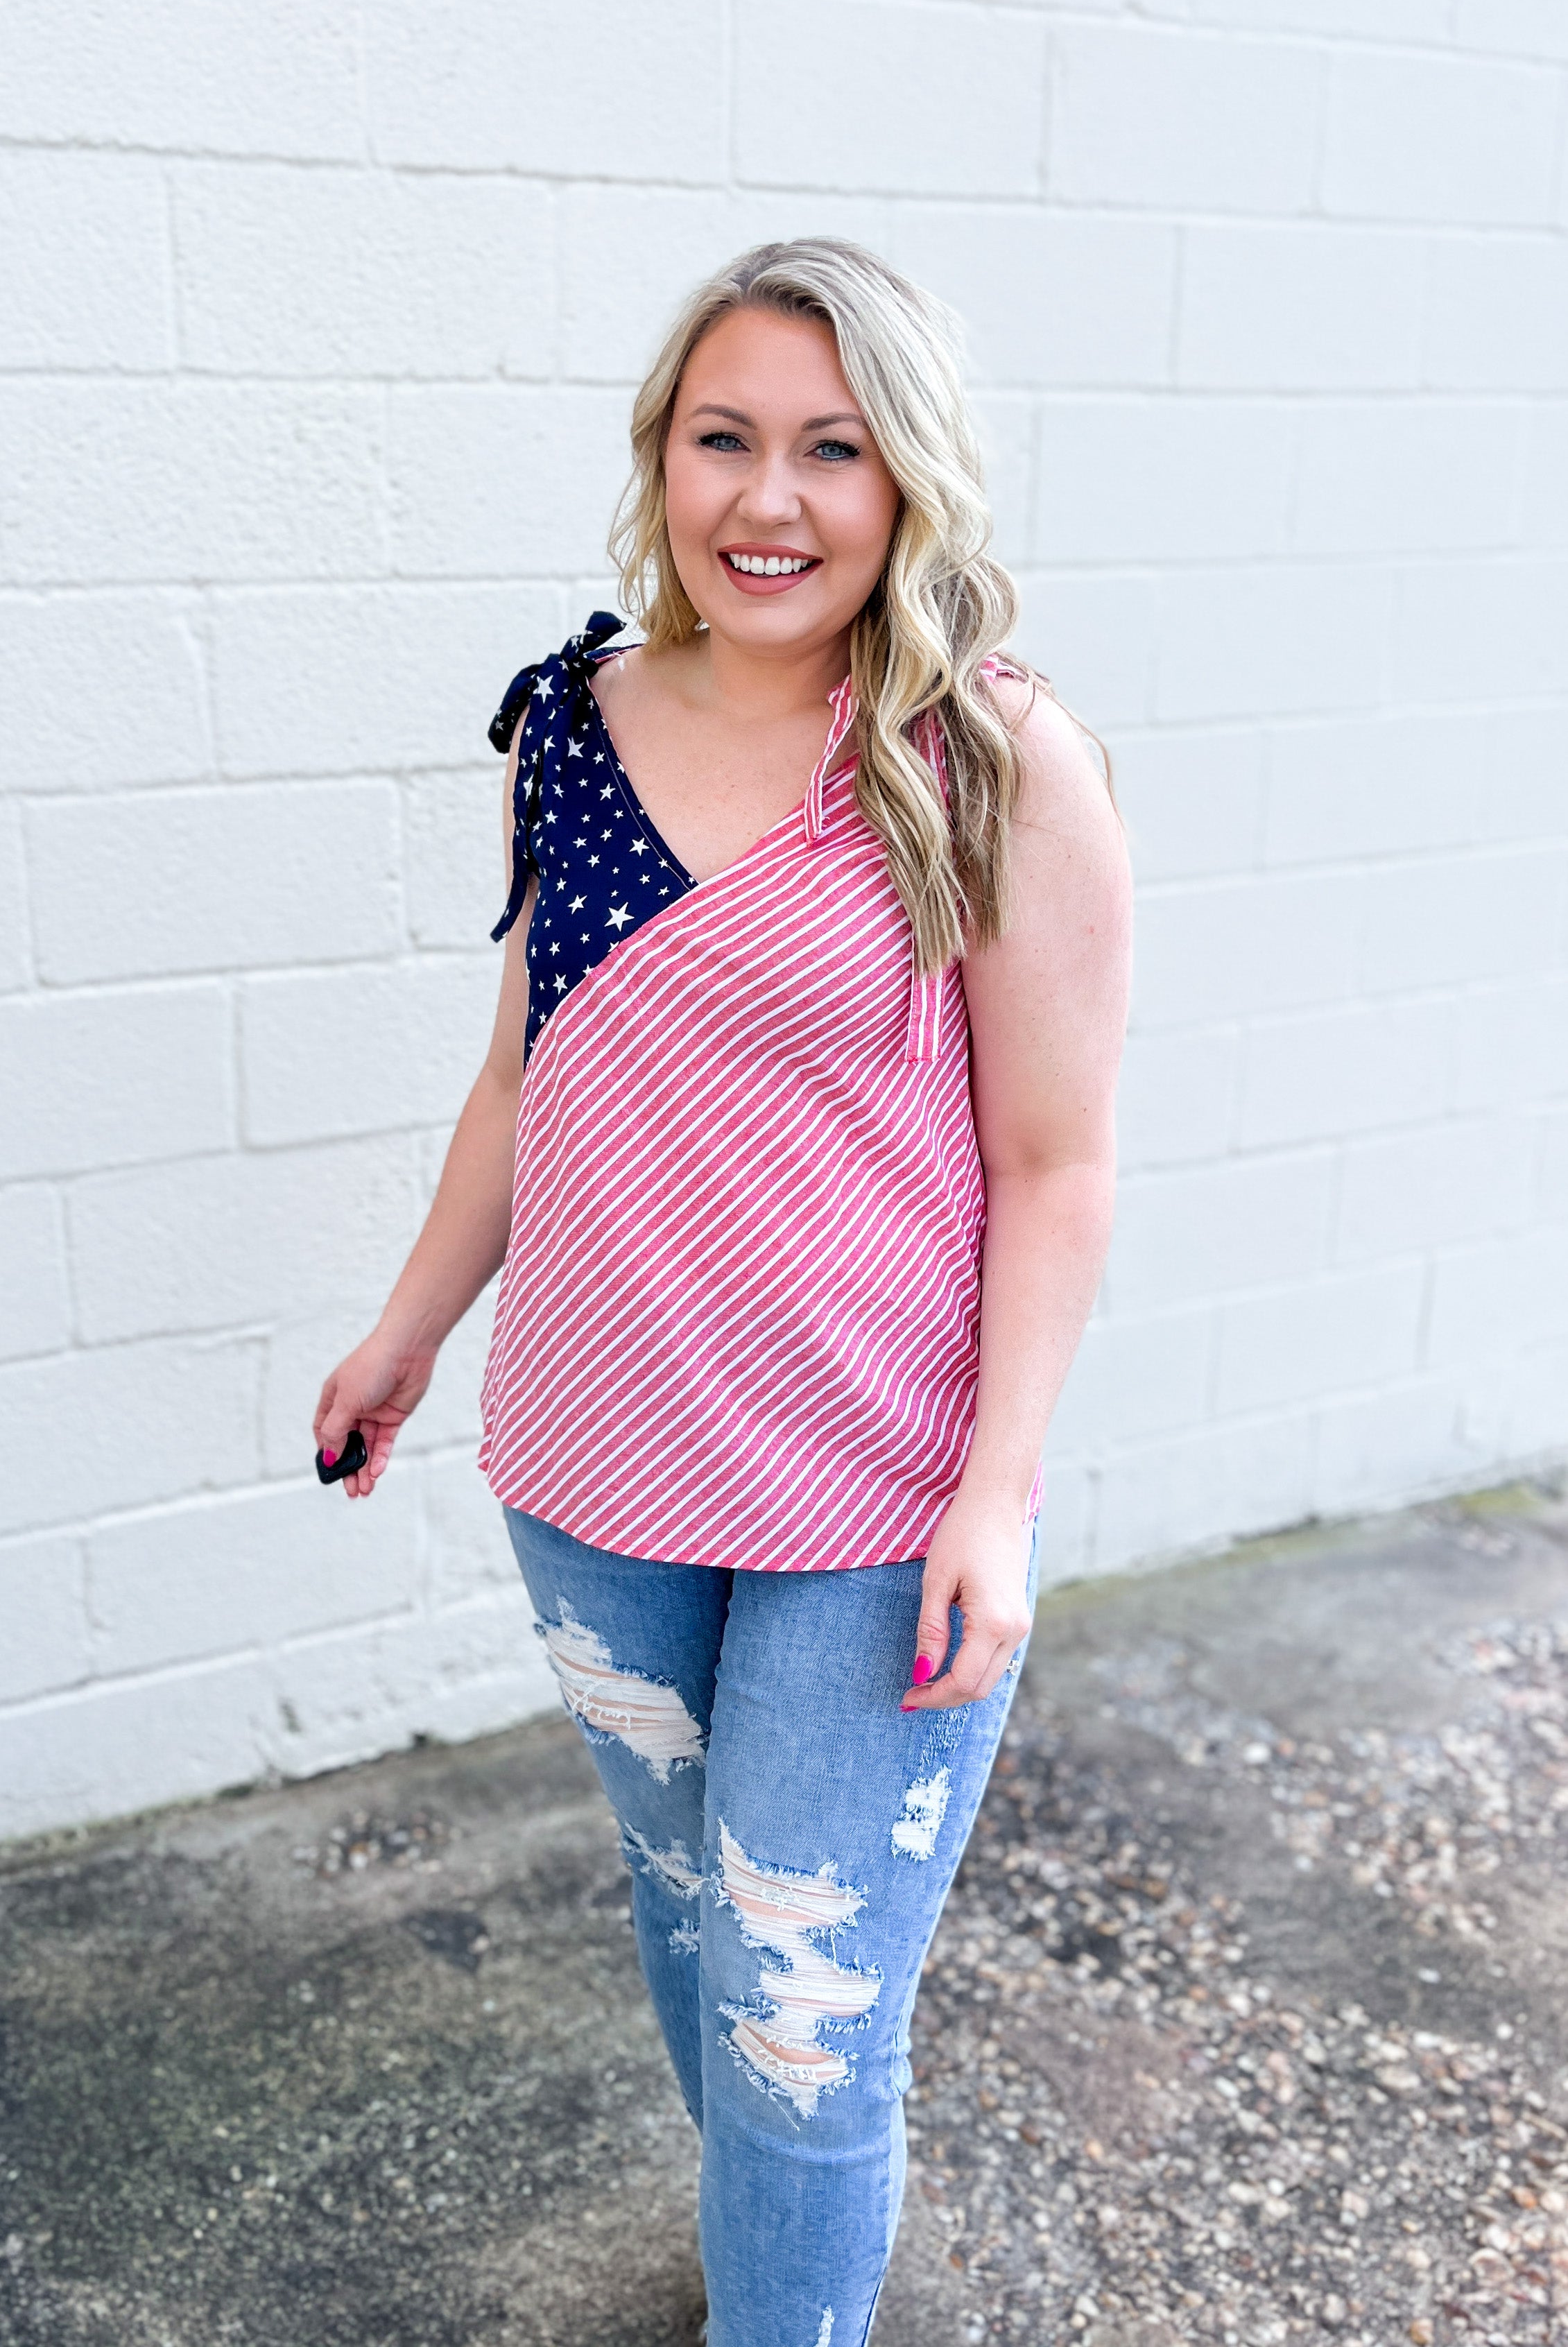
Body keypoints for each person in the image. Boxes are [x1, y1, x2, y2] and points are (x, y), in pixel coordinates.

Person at [314, 238, 1130, 2347]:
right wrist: (408, 1331)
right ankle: (784, 2262)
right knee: (695, 1929)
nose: (770, 500)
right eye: (726, 441)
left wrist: (997, 1497)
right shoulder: (569, 730)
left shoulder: (991, 758)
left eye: (833, 451)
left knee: (803, 2016)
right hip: (589, 1467)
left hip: (877, 1502)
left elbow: (1055, 1166)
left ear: (910, 481)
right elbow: (529, 1065)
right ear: (663, 466)